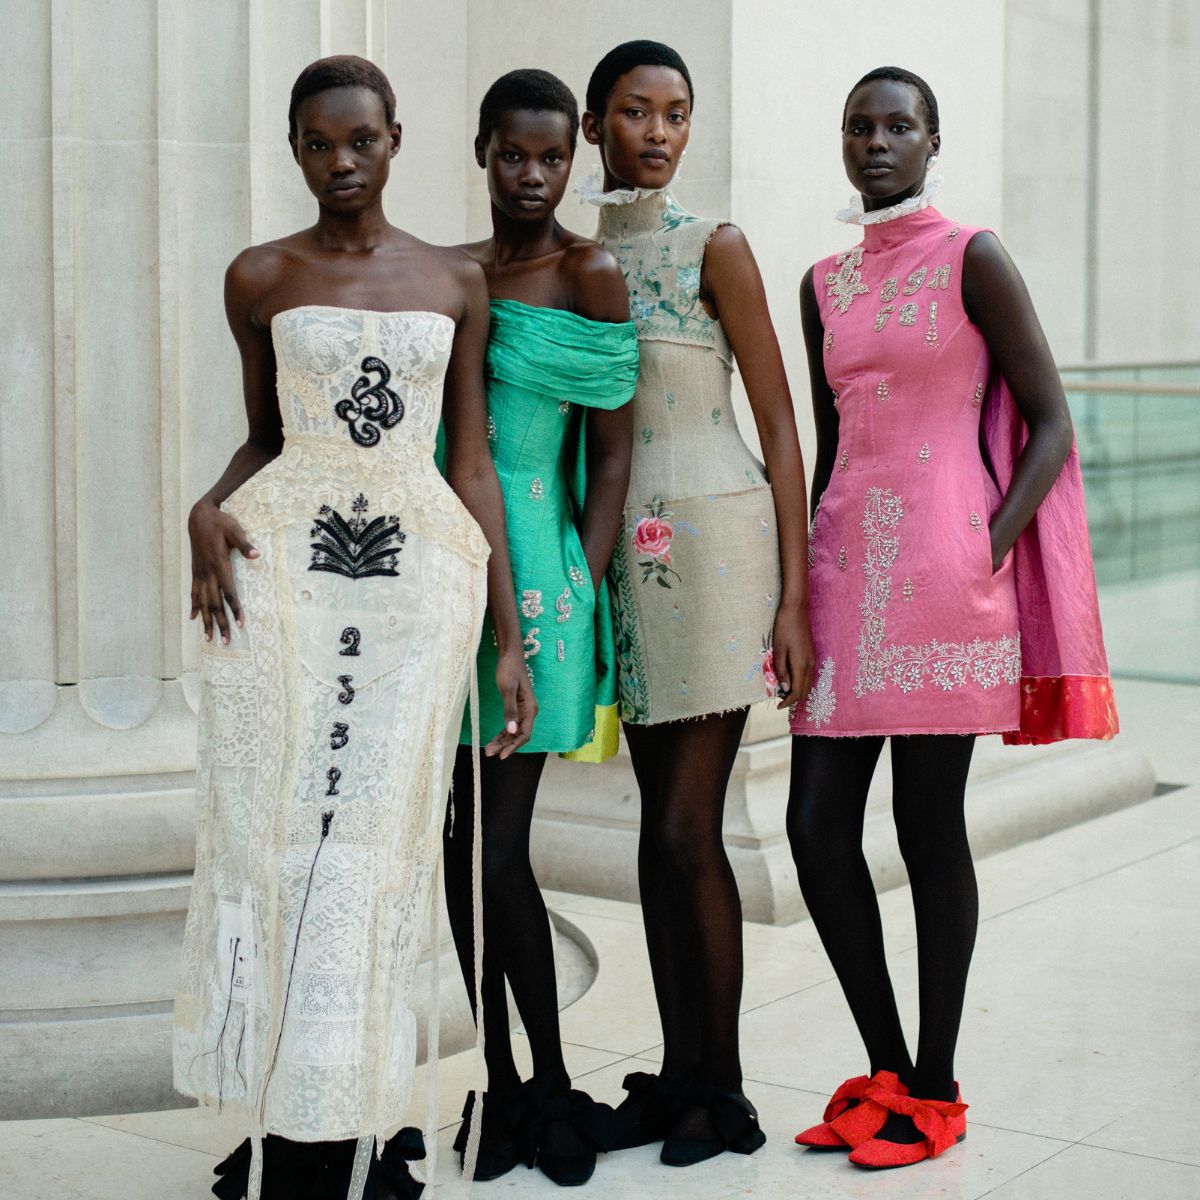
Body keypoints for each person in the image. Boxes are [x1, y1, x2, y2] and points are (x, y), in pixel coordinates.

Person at [173, 55, 534, 1200]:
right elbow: (270, 442)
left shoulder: (451, 281)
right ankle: (286, 1123)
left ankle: (360, 1132)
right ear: (295, 147)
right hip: (292, 583)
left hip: (416, 589)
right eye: (320, 144)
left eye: (362, 141)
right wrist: (202, 508)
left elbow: (467, 458)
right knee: (280, 850)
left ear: (394, 140)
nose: (343, 162)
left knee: (373, 862)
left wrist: (509, 632)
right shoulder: (259, 275)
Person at [787, 66, 1117, 1170]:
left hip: (943, 584)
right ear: (841, 144)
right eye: (859, 127)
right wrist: (802, 580)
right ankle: (883, 1071)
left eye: (898, 126)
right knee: (815, 828)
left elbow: (1055, 421)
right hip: (844, 582)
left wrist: (987, 542)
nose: (876, 143)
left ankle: (937, 1085)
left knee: (929, 830)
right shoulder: (821, 284)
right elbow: (834, 447)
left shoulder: (973, 255)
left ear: (934, 141)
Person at [579, 40, 814, 1168]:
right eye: (635, 112)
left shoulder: (714, 246)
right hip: (624, 557)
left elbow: (780, 424)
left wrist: (796, 600)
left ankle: (719, 1094)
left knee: (688, 825)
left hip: (719, 548)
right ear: (594, 127)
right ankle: (676, 1076)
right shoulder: (574, 259)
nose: (660, 133)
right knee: (650, 836)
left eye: (675, 113)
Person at [436, 69, 637, 1187]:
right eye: (513, 155)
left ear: (576, 157)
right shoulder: (454, 272)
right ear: (480, 150)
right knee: (457, 855)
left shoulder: (588, 272)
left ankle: (551, 1083)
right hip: (452, 579)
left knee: (500, 850)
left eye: (552, 158)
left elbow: (610, 454)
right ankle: (499, 1081)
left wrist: (583, 586)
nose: (532, 176)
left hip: (544, 589)